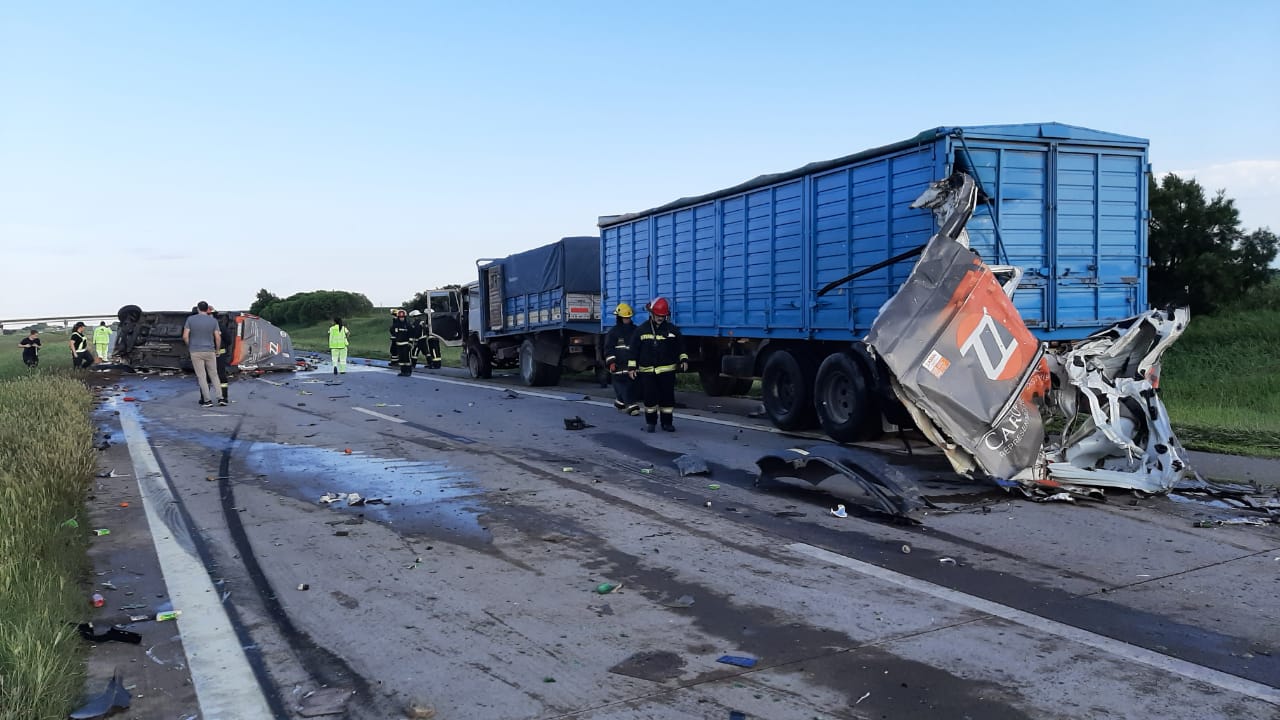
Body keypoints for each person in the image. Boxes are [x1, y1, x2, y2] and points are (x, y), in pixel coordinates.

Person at [628, 297, 688, 432]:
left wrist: (683, 360)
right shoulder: (641, 330)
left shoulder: (672, 330)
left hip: (667, 371)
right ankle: (651, 422)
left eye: (663, 316)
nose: (661, 318)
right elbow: (633, 350)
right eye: (658, 315)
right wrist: (632, 367)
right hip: (647, 371)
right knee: (650, 398)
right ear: (652, 314)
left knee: (667, 398)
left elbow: (681, 347)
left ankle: (667, 423)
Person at [182, 301, 222, 407]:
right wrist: (217, 350)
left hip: (195, 351)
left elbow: (185, 336)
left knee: (202, 377)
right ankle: (220, 398)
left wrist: (189, 346)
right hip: (210, 350)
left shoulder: (190, 319)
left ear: (198, 308)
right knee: (214, 375)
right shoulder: (213, 321)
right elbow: (218, 337)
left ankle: (207, 400)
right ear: (206, 309)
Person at [604, 302, 640, 415]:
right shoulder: (613, 332)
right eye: (625, 318)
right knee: (621, 384)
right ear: (619, 318)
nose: (627, 320)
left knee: (632, 385)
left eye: (628, 318)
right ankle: (632, 406)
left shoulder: (636, 330)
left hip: (632, 364)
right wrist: (611, 362)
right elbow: (609, 348)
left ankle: (620, 402)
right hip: (618, 364)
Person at [208, 305, 234, 406]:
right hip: (214, 354)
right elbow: (228, 341)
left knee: (219, 376)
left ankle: (222, 397)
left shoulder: (220, 327)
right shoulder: (220, 327)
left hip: (217, 354)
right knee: (207, 377)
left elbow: (228, 340)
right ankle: (208, 399)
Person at [389, 309, 413, 377]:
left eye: (403, 317)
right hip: (399, 344)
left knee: (407, 359)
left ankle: (408, 371)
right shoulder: (396, 325)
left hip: (406, 344)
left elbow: (411, 334)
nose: (401, 318)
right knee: (401, 359)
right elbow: (392, 331)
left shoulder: (408, 325)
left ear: (405, 317)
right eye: (400, 317)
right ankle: (403, 371)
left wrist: (410, 343)